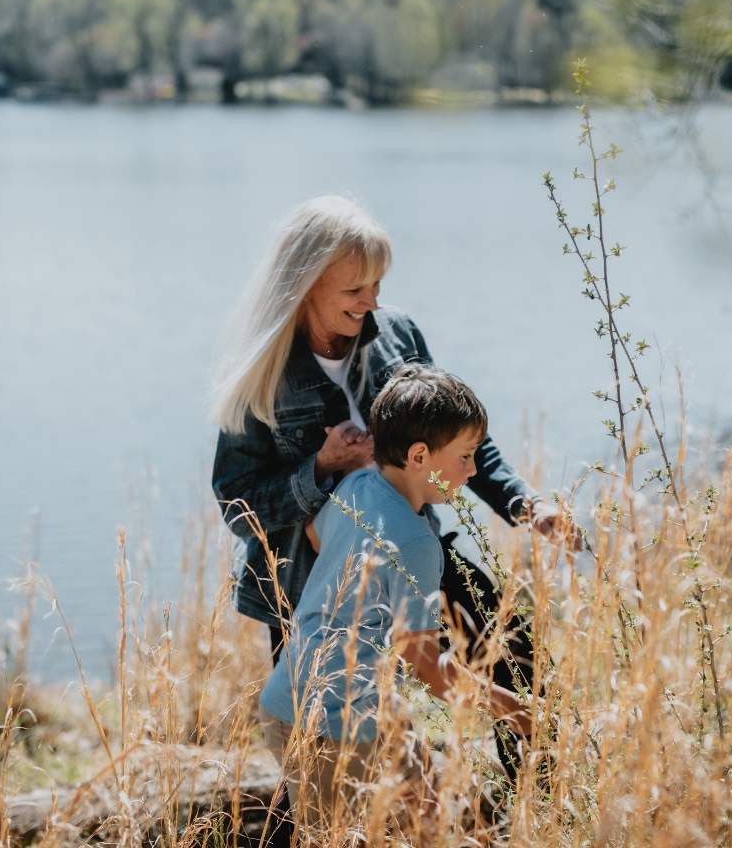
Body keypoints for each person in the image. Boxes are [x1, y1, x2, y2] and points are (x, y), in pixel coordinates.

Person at [210, 196, 581, 786]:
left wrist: (524, 504)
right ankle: (318, 824)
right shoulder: (266, 372)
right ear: (305, 284)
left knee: (515, 656)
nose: (373, 302)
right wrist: (319, 467)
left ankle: (542, 798)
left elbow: (458, 437)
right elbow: (237, 502)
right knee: (321, 748)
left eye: (378, 284)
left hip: (415, 545)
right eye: (355, 289)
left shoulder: (397, 336)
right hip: (309, 586)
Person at [257, 364, 533, 837]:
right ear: (420, 455)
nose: (473, 470)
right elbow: (424, 664)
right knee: (339, 836)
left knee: (427, 809)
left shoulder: (357, 486)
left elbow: (316, 535)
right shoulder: (417, 542)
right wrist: (512, 708)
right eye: (466, 457)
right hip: (328, 724)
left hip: (308, 694)